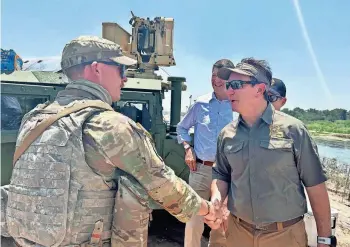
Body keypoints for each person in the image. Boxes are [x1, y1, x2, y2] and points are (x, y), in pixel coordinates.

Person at [2, 35, 223, 247]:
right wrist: (206, 210)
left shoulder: (33, 119)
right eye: (121, 69)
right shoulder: (108, 125)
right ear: (97, 69)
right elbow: (162, 184)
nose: (125, 78)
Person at [207, 57, 334, 247]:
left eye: (236, 84)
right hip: (237, 234)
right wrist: (217, 198)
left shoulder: (293, 130)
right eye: (228, 84)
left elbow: (315, 187)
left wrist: (324, 239)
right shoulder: (227, 134)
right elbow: (221, 174)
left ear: (260, 89)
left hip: (284, 236)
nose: (229, 90)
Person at [177, 59, 235, 247]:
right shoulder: (200, 104)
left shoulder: (237, 106)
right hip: (201, 169)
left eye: (221, 77)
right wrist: (188, 148)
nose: (216, 80)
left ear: (231, 78)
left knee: (223, 218)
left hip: (228, 173)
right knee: (194, 219)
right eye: (213, 76)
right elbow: (182, 128)